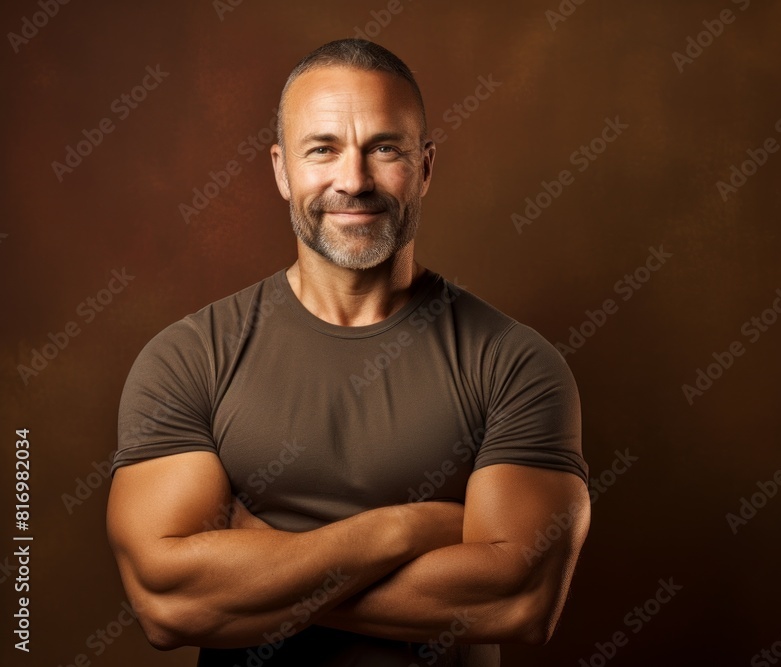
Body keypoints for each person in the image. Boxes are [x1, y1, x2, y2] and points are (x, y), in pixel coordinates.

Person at [106, 38, 589, 666]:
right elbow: (168, 604)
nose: (353, 181)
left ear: (425, 167)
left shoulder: (515, 365)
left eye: (384, 149)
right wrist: (405, 529)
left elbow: (519, 602)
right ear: (281, 170)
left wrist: (261, 574)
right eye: (323, 150)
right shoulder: (188, 359)